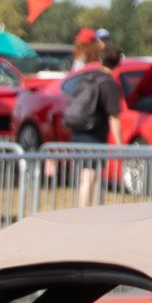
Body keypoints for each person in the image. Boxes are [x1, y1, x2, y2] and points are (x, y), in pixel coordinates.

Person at [59, 30, 120, 206]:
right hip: (93, 133)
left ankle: (90, 208)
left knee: (87, 173)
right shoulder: (109, 82)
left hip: (78, 130)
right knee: (90, 173)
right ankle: (84, 211)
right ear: (118, 63)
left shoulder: (90, 77)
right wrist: (120, 143)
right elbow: (114, 116)